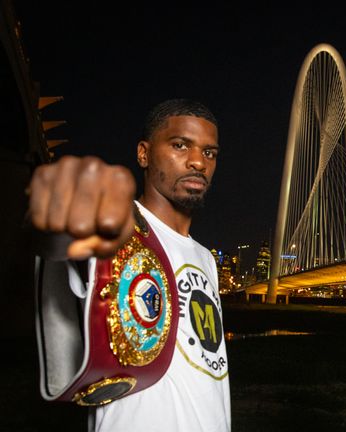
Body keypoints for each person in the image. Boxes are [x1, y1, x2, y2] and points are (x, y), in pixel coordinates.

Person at [28, 99, 230, 432]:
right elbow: (62, 238)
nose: (198, 161)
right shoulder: (117, 229)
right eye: (181, 145)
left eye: (210, 153)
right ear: (143, 153)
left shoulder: (205, 257)